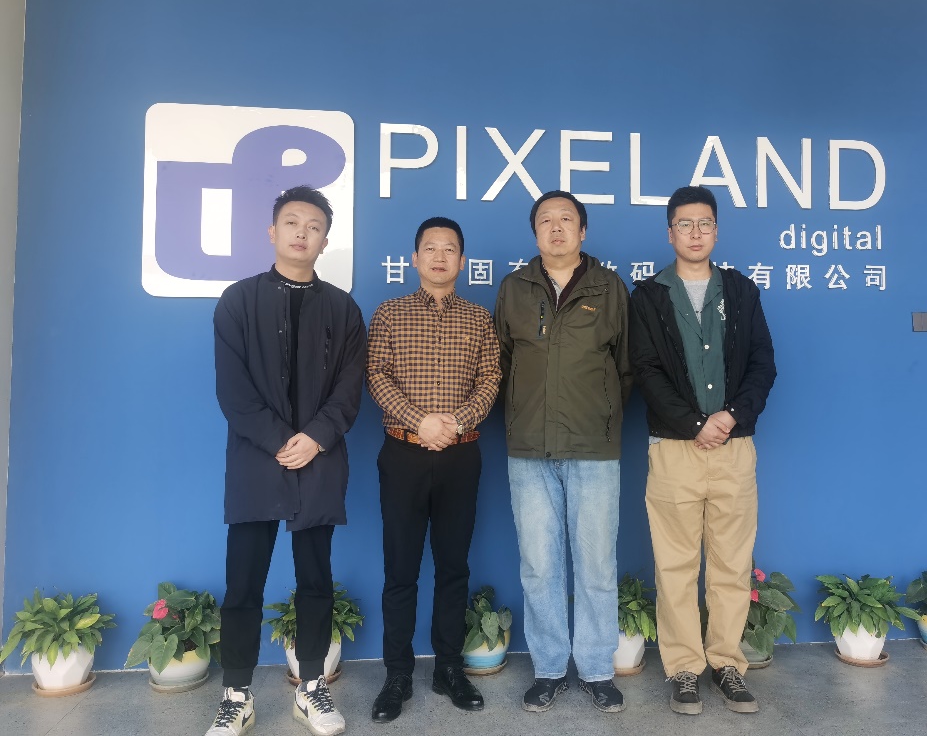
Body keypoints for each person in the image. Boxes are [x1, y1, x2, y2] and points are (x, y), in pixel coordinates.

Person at [207, 186, 367, 736]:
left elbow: (349, 389)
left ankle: (312, 687)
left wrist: (316, 438)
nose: (303, 232)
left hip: (319, 459)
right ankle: (236, 695)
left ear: (325, 240)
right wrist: (281, 440)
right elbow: (233, 391)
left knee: (315, 579)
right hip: (257, 461)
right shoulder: (237, 301)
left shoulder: (343, 308)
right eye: (293, 222)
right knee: (243, 582)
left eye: (314, 226)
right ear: (273, 231)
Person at [628, 185, 776, 716]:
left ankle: (727, 664)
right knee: (675, 566)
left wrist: (730, 417)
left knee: (732, 565)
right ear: (670, 233)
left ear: (716, 230)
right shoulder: (648, 296)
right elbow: (645, 370)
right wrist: (695, 423)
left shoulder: (741, 291)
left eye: (704, 223)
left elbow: (763, 364)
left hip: (735, 448)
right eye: (685, 224)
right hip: (674, 450)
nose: (695, 233)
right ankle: (685, 670)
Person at [494, 190, 632, 714]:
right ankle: (549, 668)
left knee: (596, 564)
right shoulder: (514, 288)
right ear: (535, 233)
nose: (556, 228)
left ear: (583, 231)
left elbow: (625, 367)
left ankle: (597, 669)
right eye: (545, 221)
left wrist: (601, 413)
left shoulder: (609, 288)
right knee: (539, 565)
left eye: (566, 220)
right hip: (529, 447)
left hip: (593, 447)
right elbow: (501, 362)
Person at [365, 217, 501, 723]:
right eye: (430, 248)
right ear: (415, 258)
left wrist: (456, 423)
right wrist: (418, 421)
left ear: (462, 262)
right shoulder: (390, 313)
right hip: (403, 454)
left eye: (449, 249)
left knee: (453, 566)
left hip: (461, 457)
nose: (439, 257)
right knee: (400, 570)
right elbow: (376, 375)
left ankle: (448, 667)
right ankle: (397, 674)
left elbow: (491, 379)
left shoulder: (479, 318)